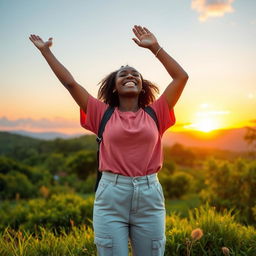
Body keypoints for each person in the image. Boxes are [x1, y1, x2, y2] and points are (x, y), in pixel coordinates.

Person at [29, 25, 188, 256]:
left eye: (135, 74)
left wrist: (155, 47)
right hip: (111, 197)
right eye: (123, 74)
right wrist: (46, 52)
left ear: (142, 85)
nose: (130, 76)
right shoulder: (101, 113)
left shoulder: (157, 112)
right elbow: (71, 84)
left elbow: (181, 77)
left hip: (149, 194)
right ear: (114, 87)